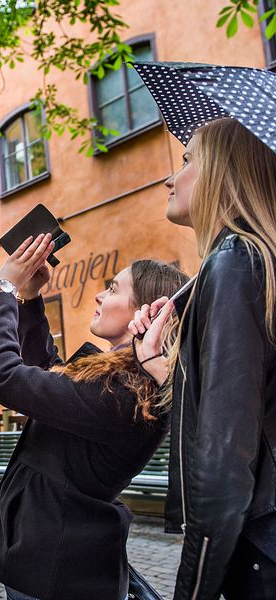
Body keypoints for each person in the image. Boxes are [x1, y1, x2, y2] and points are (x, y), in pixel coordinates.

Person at [0, 233, 188, 600]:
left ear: (144, 311)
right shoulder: (120, 379)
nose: (100, 296)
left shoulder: (126, 393)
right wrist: (31, 298)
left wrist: (4, 288)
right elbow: (48, 371)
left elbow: (4, 375)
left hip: (56, 565)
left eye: (113, 289)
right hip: (50, 553)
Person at [129, 117, 276, 599]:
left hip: (258, 548)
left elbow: (225, 461)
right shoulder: (252, 262)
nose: (172, 177)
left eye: (188, 159)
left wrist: (192, 589)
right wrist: (168, 371)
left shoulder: (234, 261)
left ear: (225, 171)